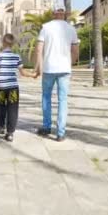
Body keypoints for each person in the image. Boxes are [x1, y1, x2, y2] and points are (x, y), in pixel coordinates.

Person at [0, 34, 35, 142]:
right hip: (13, 88)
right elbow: (23, 73)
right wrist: (33, 75)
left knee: (1, 107)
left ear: (3, 43)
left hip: (0, 87)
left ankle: (1, 128)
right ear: (12, 44)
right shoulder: (17, 57)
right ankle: (10, 134)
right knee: (12, 109)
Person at [34, 9, 79, 142]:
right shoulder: (71, 29)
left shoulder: (45, 27)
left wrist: (39, 67)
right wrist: (70, 63)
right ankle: (60, 133)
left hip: (48, 68)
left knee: (46, 97)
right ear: (64, 14)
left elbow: (38, 49)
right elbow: (75, 50)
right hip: (64, 69)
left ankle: (47, 127)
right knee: (63, 100)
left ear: (53, 14)